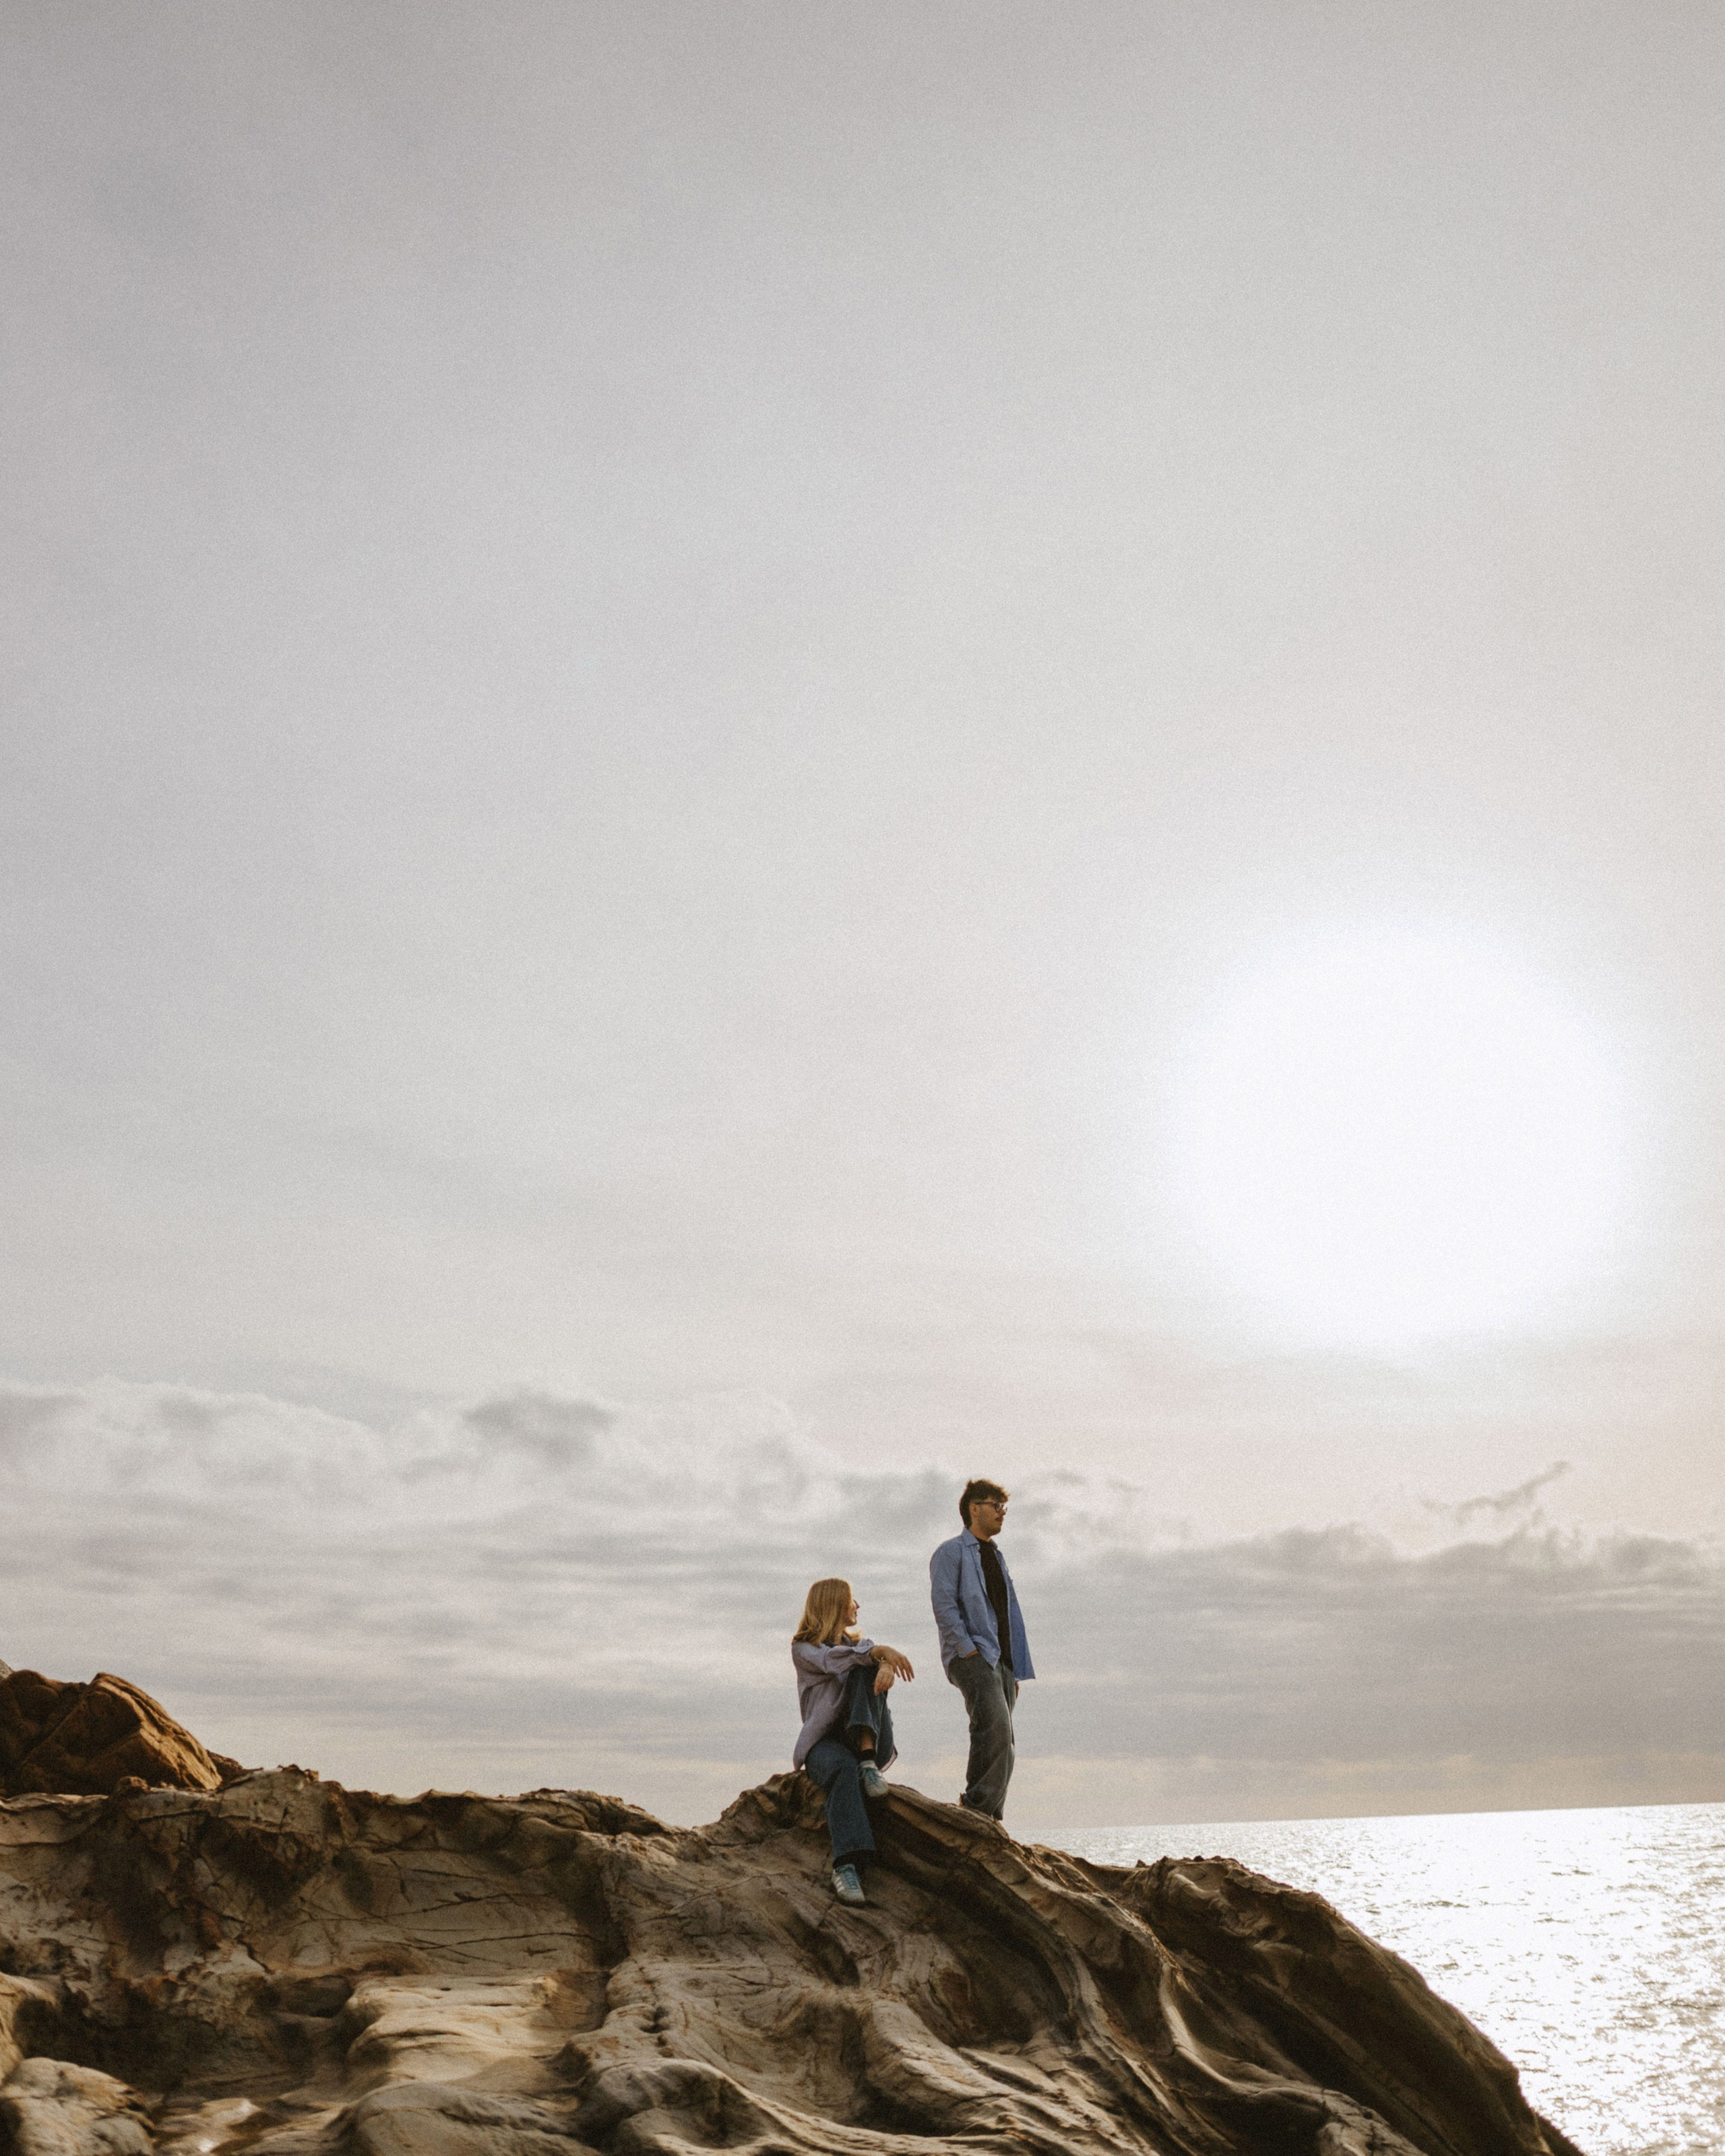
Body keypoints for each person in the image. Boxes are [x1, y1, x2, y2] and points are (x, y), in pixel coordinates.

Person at [791, 1577, 916, 1906]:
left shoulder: (865, 1646)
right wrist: (882, 1656)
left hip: (874, 1739)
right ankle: (847, 1867)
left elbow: (864, 1657)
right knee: (841, 1768)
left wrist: (885, 1663)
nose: (857, 1606)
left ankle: (868, 1760)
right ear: (833, 1604)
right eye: (851, 1600)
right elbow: (834, 1661)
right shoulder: (804, 1649)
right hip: (826, 1744)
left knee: (866, 1667)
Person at [928, 1478, 1034, 1822]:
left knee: (1001, 1742)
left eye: (1005, 1508)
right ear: (974, 1508)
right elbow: (944, 1606)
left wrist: (1012, 1666)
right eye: (996, 1506)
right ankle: (976, 1812)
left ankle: (987, 1816)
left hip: (1000, 1661)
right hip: (972, 1656)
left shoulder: (996, 1557)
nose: (1003, 1514)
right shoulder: (951, 1552)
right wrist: (967, 1649)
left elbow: (1006, 1615)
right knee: (997, 1732)